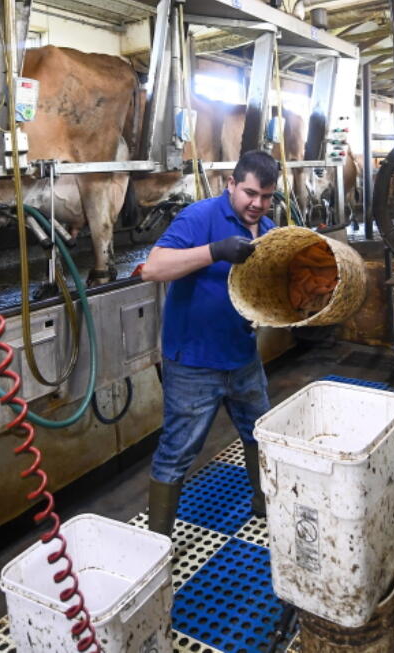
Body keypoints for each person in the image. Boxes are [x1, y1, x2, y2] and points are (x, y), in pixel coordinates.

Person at [139, 149, 279, 538]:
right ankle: (157, 544)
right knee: (177, 453)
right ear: (230, 184)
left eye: (266, 196)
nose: (257, 204)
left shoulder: (267, 230)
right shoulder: (200, 217)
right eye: (250, 193)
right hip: (194, 363)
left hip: (243, 357)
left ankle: (264, 506)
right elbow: (153, 268)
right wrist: (214, 251)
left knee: (260, 435)